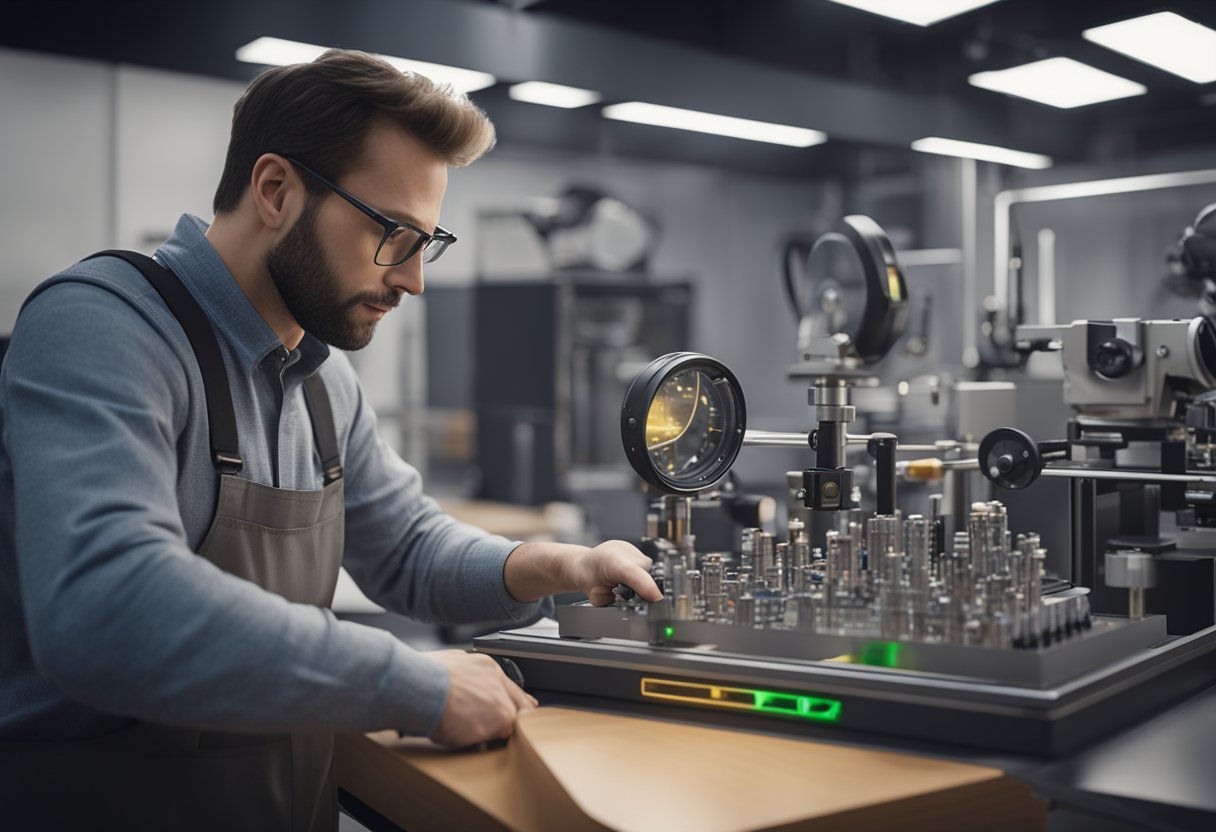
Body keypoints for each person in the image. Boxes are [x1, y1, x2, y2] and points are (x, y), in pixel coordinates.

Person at [0, 49, 661, 830]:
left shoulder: (320, 376)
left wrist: (553, 566)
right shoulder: (101, 327)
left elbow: (407, 549)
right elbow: (106, 606)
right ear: (276, 190)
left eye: (427, 243)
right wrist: (413, 682)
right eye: (394, 235)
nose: (413, 280)